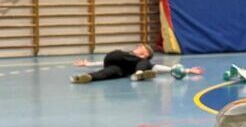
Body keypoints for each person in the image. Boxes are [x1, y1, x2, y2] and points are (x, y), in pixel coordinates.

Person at [70, 44, 198, 82]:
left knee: (107, 73)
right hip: (113, 56)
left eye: (141, 48)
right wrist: (88, 63)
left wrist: (186, 70)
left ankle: (86, 77)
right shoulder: (128, 54)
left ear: (146, 54)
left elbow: (158, 68)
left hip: (119, 68)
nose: (138, 47)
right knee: (145, 64)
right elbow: (103, 61)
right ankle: (139, 74)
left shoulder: (143, 61)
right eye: (139, 47)